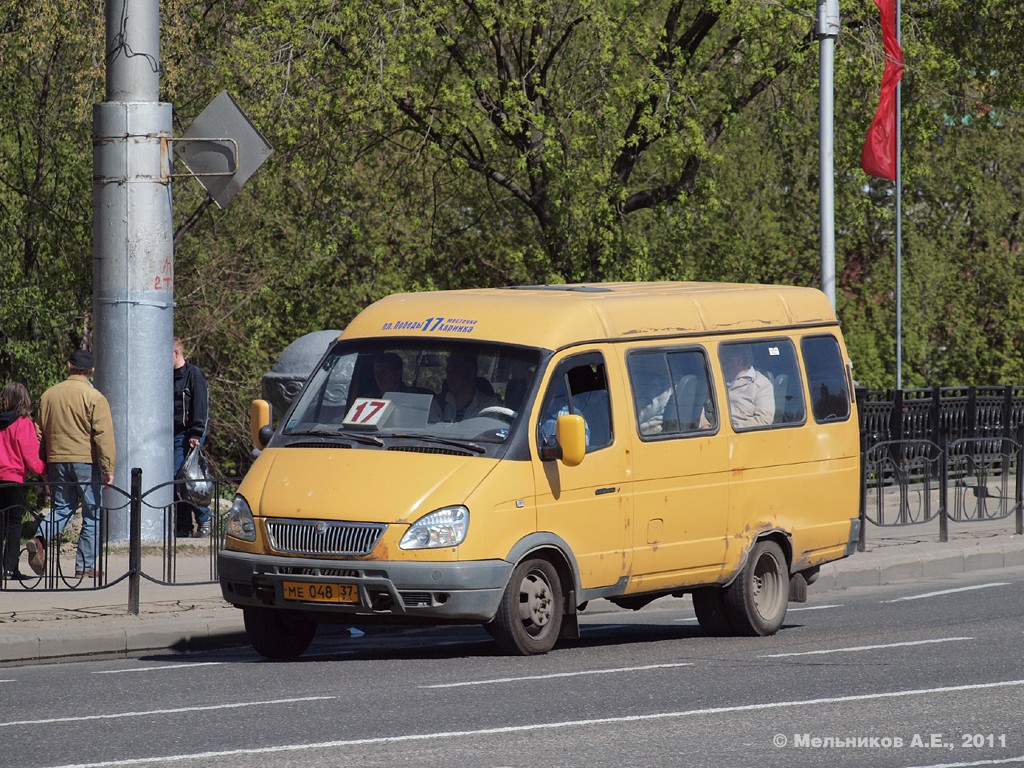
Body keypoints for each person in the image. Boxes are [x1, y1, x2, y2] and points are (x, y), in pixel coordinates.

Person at [27, 350, 115, 579]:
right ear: (91, 371)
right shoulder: (95, 397)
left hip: (57, 460)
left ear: (69, 367)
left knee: (62, 508)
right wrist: (108, 468)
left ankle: (39, 538)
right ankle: (84, 566)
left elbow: (38, 433)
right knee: (92, 513)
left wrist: (43, 461)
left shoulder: (49, 396)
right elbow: (103, 435)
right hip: (86, 461)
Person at [0, 383, 46, 580]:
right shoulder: (23, 423)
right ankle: (10, 569)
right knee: (13, 524)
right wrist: (44, 472)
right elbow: (31, 456)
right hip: (14, 479)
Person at [173, 337, 211, 537]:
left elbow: (201, 406)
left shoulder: (193, 375)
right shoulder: (166, 376)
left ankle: (204, 518)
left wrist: (196, 433)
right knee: (176, 481)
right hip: (170, 434)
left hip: (187, 433)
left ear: (176, 353)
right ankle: (183, 526)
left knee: (186, 478)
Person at [720, 345, 775, 428]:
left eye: (728, 358)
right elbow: (699, 407)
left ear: (740, 360)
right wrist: (704, 424)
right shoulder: (717, 378)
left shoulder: (761, 384)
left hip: (741, 435)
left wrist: (732, 428)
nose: (723, 361)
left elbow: (764, 419)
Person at [440, 353, 499, 422]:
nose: (450, 376)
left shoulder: (490, 406)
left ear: (470, 373)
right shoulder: (437, 404)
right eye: (448, 372)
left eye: (456, 371)